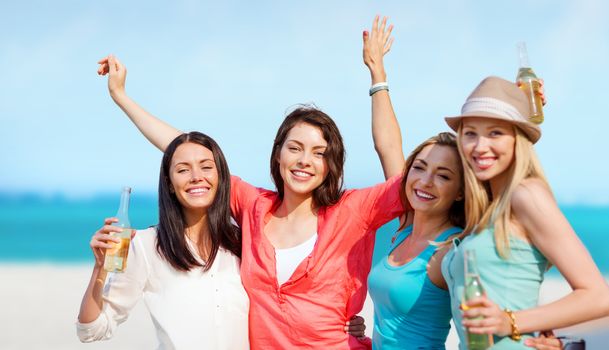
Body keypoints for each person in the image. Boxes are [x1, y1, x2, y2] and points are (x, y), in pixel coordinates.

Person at [96, 54, 404, 349]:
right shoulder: (254, 206)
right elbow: (186, 150)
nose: (304, 161)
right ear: (278, 153)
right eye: (295, 148)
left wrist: (379, 80)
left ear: (331, 163)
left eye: (319, 152)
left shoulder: (352, 211)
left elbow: (402, 179)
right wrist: (121, 96)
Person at [362, 15, 564, 350]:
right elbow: (387, 146)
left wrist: (519, 120)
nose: (426, 181)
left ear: (460, 191)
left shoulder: (453, 248)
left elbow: (515, 279)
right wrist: (377, 73)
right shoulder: (405, 224)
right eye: (420, 168)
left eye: (444, 175)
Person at [441, 75, 609, 348]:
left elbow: (599, 297)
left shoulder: (526, 194)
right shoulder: (487, 208)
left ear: (517, 139)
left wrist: (513, 321)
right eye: (470, 133)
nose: (480, 146)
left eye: (495, 132)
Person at [76, 132, 249, 349]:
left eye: (206, 167)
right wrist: (100, 268)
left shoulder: (241, 240)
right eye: (183, 169)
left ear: (221, 177)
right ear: (169, 183)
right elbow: (91, 330)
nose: (196, 176)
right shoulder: (146, 245)